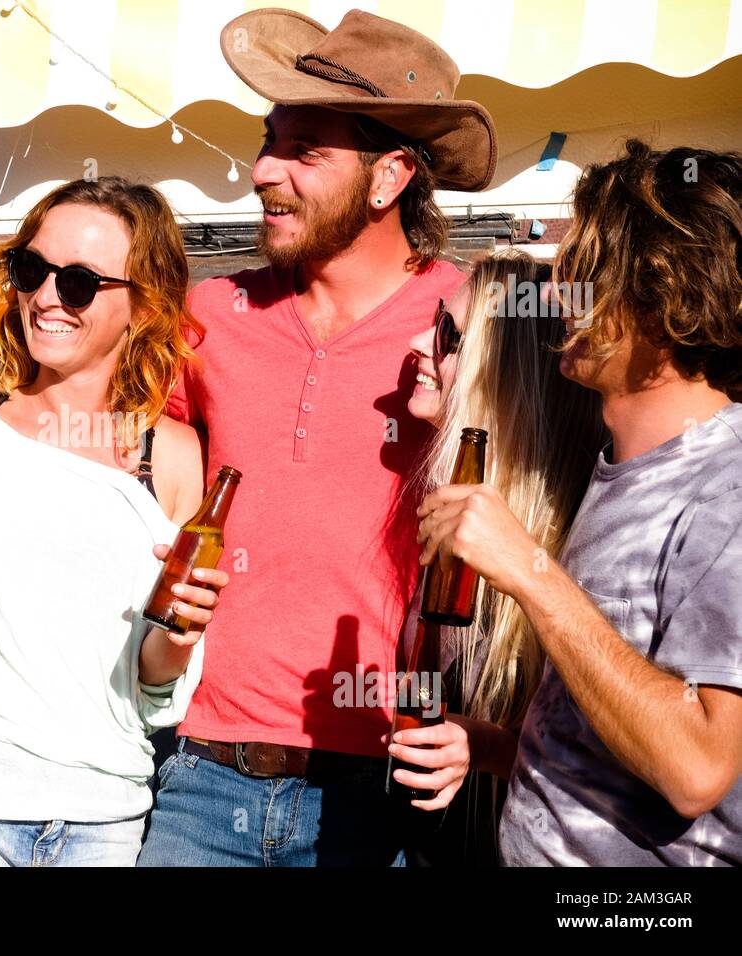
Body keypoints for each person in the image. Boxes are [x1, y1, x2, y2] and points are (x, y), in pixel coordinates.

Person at [137, 8, 497, 867]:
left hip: (388, 797)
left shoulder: (476, 323)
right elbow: (147, 470)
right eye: (269, 142)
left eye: (305, 150)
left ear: (390, 177)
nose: (264, 171)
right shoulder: (207, 316)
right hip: (199, 778)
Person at [0, 176, 222, 867]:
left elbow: (152, 686)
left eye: (82, 282)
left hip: (103, 820)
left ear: (143, 304)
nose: (47, 298)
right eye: (32, 270)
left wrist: (181, 634)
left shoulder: (172, 458)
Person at [419, 141, 742, 865]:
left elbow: (696, 768)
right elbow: (616, 728)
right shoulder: (623, 471)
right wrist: (500, 748)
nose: (561, 292)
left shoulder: (727, 490)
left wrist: (531, 573)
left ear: (665, 295)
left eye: (588, 273)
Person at [384, 251, 605, 865]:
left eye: (448, 333)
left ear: (501, 366)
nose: (416, 341)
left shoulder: (576, 536)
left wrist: (480, 747)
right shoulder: (452, 506)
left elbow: (610, 749)